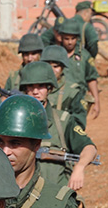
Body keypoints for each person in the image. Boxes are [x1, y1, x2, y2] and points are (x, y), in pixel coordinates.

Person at [19, 61, 98, 190]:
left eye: (41, 86)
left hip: (55, 194)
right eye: (31, 87)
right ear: (24, 89)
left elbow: (89, 148)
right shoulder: (15, 119)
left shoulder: (63, 120)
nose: (35, 91)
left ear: (49, 88)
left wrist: (79, 167)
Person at [57, 17, 101, 120]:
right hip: (59, 99)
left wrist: (97, 101)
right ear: (61, 38)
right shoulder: (55, 55)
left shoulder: (85, 56)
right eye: (66, 39)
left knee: (77, 126)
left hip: (78, 100)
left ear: (77, 38)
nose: (70, 42)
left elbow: (91, 78)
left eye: (73, 39)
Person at [41, 44, 88, 128]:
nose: (51, 70)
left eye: (55, 66)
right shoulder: (34, 89)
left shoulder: (72, 92)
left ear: (62, 67)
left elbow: (78, 124)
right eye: (48, 66)